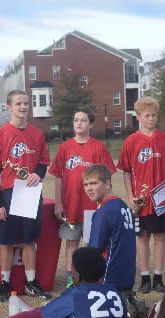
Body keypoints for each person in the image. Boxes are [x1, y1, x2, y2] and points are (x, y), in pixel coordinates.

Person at [0, 89, 52, 302]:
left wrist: (37, 174)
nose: (23, 107)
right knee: (6, 242)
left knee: (29, 240)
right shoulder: (0, 136)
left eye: (26, 103)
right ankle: (4, 284)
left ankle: (31, 282)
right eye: (18, 104)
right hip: (8, 192)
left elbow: (43, 162)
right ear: (9, 107)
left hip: (31, 194)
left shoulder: (37, 134)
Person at [49, 108, 116, 288]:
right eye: (76, 119)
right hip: (71, 205)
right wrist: (58, 203)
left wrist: (104, 204)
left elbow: (107, 178)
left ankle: (90, 278)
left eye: (83, 120)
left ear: (91, 124)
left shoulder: (98, 147)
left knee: (92, 244)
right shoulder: (65, 147)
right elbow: (58, 176)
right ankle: (72, 277)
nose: (79, 123)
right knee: (71, 243)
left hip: (92, 207)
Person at [117, 97, 165, 293]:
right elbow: (126, 171)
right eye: (147, 116)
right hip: (141, 201)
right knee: (142, 237)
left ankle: (158, 276)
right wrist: (130, 196)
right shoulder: (131, 141)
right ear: (139, 117)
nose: (151, 119)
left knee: (160, 236)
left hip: (161, 199)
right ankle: (144, 277)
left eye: (154, 115)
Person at [0, 247, 127, 318]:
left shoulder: (75, 297)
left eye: (72, 269)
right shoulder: (116, 294)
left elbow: (36, 317)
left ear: (77, 275)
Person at [84, 164, 147, 318]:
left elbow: (93, 252)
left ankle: (119, 304)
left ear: (107, 184)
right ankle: (127, 300)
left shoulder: (104, 212)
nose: (89, 188)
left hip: (108, 278)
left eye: (93, 183)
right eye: (85, 184)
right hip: (127, 277)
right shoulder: (123, 206)